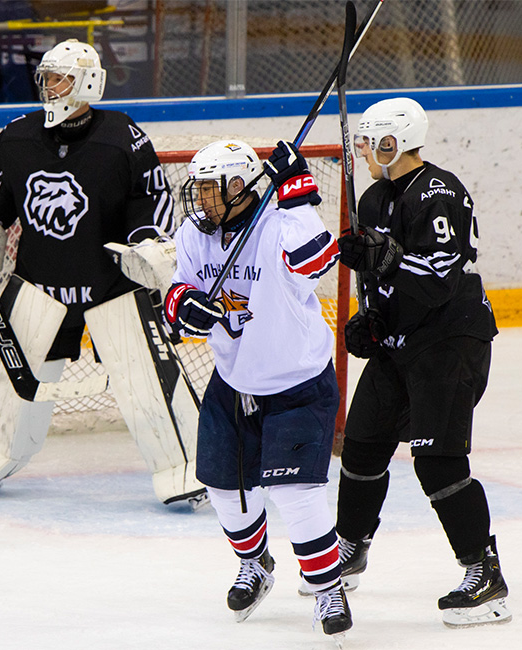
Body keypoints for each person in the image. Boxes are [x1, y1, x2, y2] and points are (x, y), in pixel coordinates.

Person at [0, 39, 207, 508]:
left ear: (88, 82)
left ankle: (185, 464)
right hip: (38, 285)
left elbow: (152, 198)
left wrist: (148, 243)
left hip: (113, 289)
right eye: (46, 77)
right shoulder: (17, 137)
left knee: (149, 384)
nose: (49, 87)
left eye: (59, 78)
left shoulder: (123, 137)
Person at [165, 139, 353, 642]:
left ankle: (327, 588)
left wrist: (296, 192)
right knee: (225, 487)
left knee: (296, 492)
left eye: (209, 191)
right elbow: (178, 287)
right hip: (233, 383)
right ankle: (256, 564)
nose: (200, 201)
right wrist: (184, 305)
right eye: (198, 190)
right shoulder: (193, 234)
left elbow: (318, 260)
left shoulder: (278, 224)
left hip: (296, 383)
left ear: (239, 187)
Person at [332, 97, 510, 628]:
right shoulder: (372, 197)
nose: (363, 149)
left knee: (437, 460)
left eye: (371, 142)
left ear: (393, 143)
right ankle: (351, 547)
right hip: (402, 341)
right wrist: (373, 317)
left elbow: (435, 281)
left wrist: (381, 259)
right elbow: (380, 278)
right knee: (362, 445)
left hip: (449, 342)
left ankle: (485, 575)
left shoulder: (440, 193)